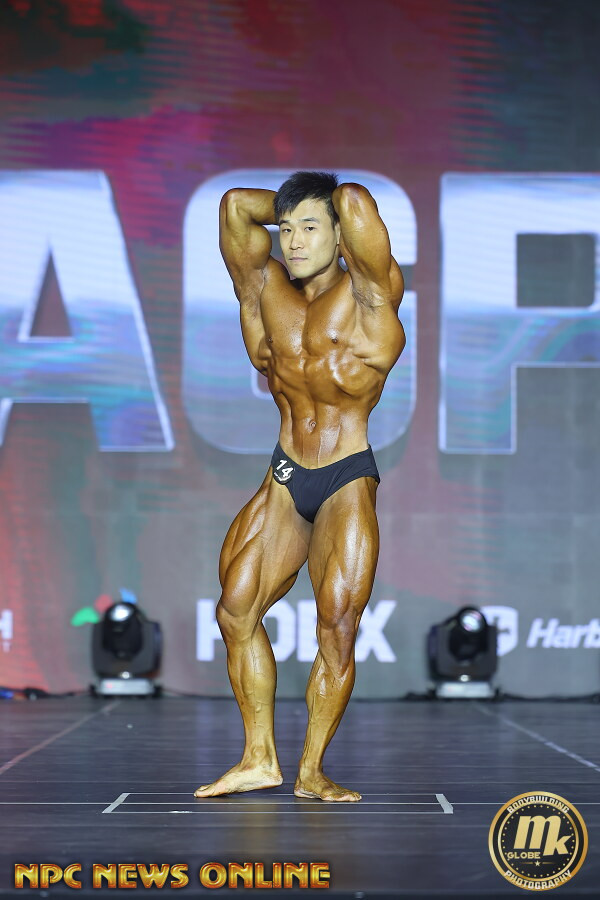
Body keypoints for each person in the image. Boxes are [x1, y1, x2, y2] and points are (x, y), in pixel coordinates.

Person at [194, 171, 405, 802]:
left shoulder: (371, 294)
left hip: (345, 474)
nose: (292, 240)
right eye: (285, 228)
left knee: (336, 625)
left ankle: (312, 771)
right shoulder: (264, 290)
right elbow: (236, 206)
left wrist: (324, 205)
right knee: (235, 610)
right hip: (286, 471)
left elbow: (354, 201)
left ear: (340, 236)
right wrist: (294, 205)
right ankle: (259, 758)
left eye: (309, 228)